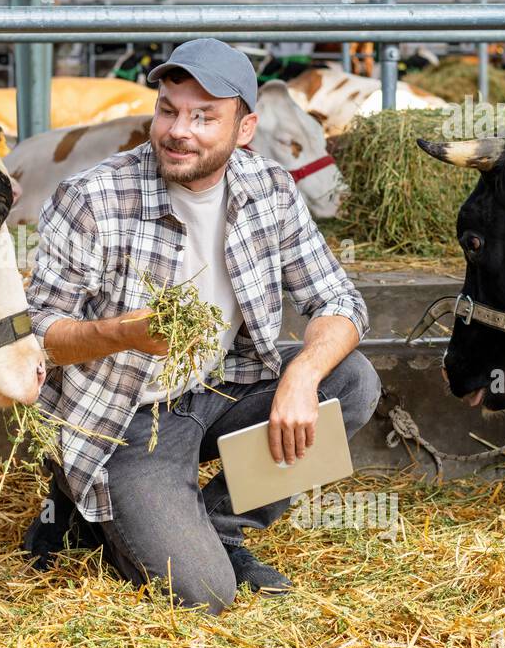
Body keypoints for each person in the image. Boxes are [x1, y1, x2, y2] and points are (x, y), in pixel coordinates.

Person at [22, 38, 382, 616]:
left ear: (244, 129)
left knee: (352, 381)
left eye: (203, 117)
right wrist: (122, 334)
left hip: (219, 388)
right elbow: (37, 336)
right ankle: (84, 503)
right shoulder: (91, 197)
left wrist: (302, 378)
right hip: (126, 416)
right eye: (168, 110)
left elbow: (339, 299)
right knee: (205, 595)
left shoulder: (269, 189)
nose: (178, 131)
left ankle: (221, 525)